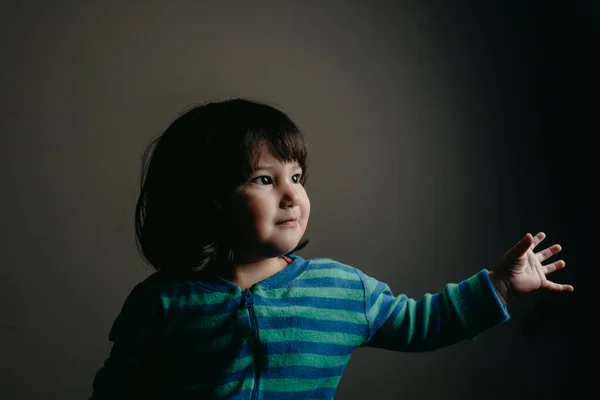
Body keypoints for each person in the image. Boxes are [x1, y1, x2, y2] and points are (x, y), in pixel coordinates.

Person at [89, 98, 573, 399]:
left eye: (296, 177)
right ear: (208, 198)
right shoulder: (162, 302)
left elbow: (423, 322)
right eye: (263, 179)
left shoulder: (340, 289)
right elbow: (118, 390)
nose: (291, 194)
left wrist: (498, 285)